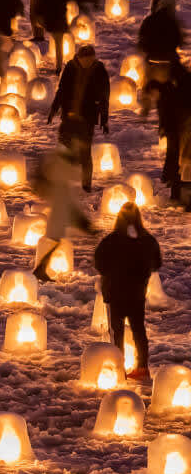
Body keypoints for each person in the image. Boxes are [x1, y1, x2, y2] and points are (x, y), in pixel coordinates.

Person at [94, 202, 160, 380]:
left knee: (117, 332)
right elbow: (157, 263)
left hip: (115, 293)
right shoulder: (147, 240)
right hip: (137, 294)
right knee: (139, 330)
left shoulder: (111, 240)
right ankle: (142, 367)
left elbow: (98, 263)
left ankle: (119, 368)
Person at [48, 45, 109, 190]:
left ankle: (86, 184)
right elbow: (62, 90)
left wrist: (104, 118)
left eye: (91, 60)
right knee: (64, 149)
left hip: (87, 118)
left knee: (85, 152)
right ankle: (62, 181)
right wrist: (54, 109)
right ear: (79, 58)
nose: (88, 63)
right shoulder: (70, 68)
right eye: (86, 60)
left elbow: (104, 96)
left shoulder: (99, 70)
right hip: (69, 116)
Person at [32, 142, 92, 283]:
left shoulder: (60, 166)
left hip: (62, 205)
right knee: (56, 238)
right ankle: (40, 269)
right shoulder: (62, 167)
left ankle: (41, 268)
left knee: (56, 239)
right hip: (61, 206)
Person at [143, 61, 191, 204]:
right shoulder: (167, 92)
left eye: (153, 94)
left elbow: (174, 113)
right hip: (177, 128)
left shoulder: (173, 91)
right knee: (177, 159)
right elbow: (165, 114)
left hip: (183, 127)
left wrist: (168, 128)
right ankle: (176, 192)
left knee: (183, 160)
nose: (153, 97)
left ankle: (181, 195)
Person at [40, 0, 77, 71]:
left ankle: (58, 66)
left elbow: (42, 4)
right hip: (59, 20)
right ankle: (59, 66)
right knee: (58, 44)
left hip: (52, 20)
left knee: (57, 42)